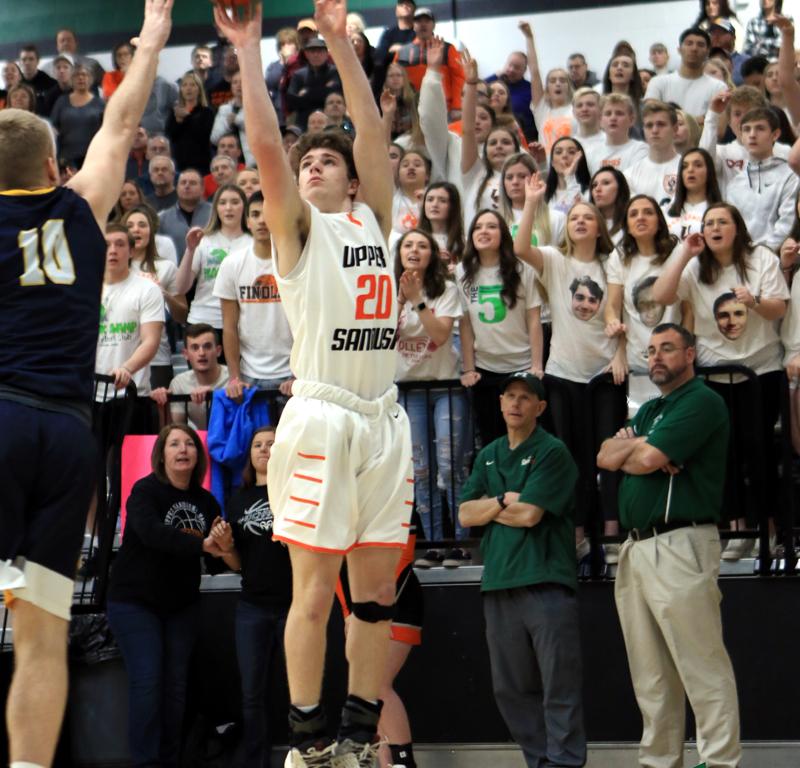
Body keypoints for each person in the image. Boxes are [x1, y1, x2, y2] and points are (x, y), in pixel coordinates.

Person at [214, 2, 414, 766]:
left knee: (375, 597)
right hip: (323, 415)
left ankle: (360, 738)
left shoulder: (375, 221)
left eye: (327, 162)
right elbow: (268, 144)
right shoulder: (298, 232)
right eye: (307, 166)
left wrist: (338, 42)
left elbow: (372, 130)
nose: (313, 167)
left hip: (383, 418)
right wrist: (247, 50)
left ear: (355, 181)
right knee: (313, 590)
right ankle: (308, 743)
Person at [0, 3, 173, 767]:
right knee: (43, 636)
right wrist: (155, 31)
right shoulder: (78, 209)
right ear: (51, 167)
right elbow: (122, 119)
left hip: (2, 421)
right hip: (69, 438)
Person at [597, 322, 742, 768]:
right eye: (651, 350)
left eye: (667, 349)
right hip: (636, 547)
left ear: (690, 355)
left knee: (701, 664)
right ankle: (660, 762)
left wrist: (638, 449)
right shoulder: (650, 410)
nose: (656, 357)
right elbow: (604, 455)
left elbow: (643, 459)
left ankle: (719, 762)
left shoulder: (702, 401)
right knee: (651, 675)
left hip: (680, 541)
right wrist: (642, 445)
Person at [458, 371, 585, 768]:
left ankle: (564, 762)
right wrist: (503, 500)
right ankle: (540, 762)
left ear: (540, 407)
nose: (515, 403)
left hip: (546, 580)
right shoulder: (489, 453)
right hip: (498, 581)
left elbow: (530, 515)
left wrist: (491, 507)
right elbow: (465, 514)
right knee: (509, 688)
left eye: (525, 397)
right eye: (509, 396)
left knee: (559, 683)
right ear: (500, 403)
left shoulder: (552, 451)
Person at [652, 203, 789, 559]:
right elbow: (661, 295)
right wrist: (684, 253)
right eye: (709, 222)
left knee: (759, 453)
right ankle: (738, 529)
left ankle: (768, 529)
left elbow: (780, 307)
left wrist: (754, 301)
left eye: (722, 222)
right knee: (722, 456)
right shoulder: (696, 266)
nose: (714, 228)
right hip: (714, 373)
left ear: (737, 227)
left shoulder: (760, 258)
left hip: (760, 371)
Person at [106, 424, 231, 768]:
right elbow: (152, 534)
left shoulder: (207, 501)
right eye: (174, 443)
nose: (183, 449)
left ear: (198, 456)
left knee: (176, 688)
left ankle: (169, 760)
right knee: (148, 682)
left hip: (181, 606)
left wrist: (225, 544)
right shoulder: (145, 491)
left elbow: (215, 558)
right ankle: (147, 763)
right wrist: (202, 544)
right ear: (161, 455)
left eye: (189, 443)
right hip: (135, 602)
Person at [514, 179, 626, 562]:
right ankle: (577, 533)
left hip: (604, 374)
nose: (580, 222)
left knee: (609, 454)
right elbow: (520, 247)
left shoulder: (611, 262)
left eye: (587, 217)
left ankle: (611, 532)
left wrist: (620, 353)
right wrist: (532, 202)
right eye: (574, 217)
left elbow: (620, 312)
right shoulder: (556, 260)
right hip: (563, 375)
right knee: (571, 458)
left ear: (598, 227)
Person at [210, 425, 293, 768]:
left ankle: (303, 757)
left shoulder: (294, 493)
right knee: (251, 694)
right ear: (250, 455)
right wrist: (225, 547)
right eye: (258, 444)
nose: (264, 449)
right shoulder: (238, 500)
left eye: (272, 443)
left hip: (293, 605)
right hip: (252, 607)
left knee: (300, 691)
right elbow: (237, 563)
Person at [394, 229, 467, 545]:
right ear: (399, 253)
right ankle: (435, 543)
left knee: (450, 467)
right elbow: (384, 337)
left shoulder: (446, 290)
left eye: (422, 245)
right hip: (409, 391)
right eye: (408, 245)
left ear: (432, 255)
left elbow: (439, 335)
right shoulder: (387, 291)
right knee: (420, 471)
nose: (414, 250)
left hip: (445, 387)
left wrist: (417, 301)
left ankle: (461, 543)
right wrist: (400, 300)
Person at [458, 209, 543, 447]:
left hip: (521, 366)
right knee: (490, 439)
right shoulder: (462, 272)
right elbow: (465, 325)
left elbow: (534, 319)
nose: (483, 231)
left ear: (503, 234)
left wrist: (536, 365)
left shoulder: (522, 269)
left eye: (491, 226)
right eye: (478, 227)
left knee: (523, 438)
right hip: (485, 369)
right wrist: (469, 369)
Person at [214, 191, 294, 410]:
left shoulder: (296, 262)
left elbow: (308, 321)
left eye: (267, 214)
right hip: (249, 374)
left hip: (291, 372)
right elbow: (229, 327)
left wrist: (300, 372)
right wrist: (234, 377)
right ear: (247, 221)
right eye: (256, 214)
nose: (262, 220)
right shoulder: (231, 264)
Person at [96, 223, 164, 399]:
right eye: (106, 245)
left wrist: (127, 368)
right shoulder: (85, 291)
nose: (113, 250)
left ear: (132, 251)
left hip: (132, 393)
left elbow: (151, 341)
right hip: (90, 393)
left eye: (120, 244)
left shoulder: (148, 289)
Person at [176, 183, 252, 339]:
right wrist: (190, 250)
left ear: (244, 207)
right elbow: (180, 288)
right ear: (216, 208)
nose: (228, 208)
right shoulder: (203, 240)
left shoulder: (253, 243)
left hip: (242, 324)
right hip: (203, 321)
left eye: (235, 202)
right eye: (222, 203)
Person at [123, 206, 187, 388]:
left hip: (157, 358)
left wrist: (164, 294)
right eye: (130, 226)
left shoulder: (166, 267)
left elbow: (182, 316)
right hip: (120, 355)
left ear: (151, 232)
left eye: (142, 225)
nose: (136, 229)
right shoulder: (112, 268)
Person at [724, 106, 799, 252]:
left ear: (775, 134)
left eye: (760, 128)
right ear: (741, 136)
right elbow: (731, 228)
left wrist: (761, 256)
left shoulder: (790, 176)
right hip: (741, 257)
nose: (752, 135)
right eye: (747, 129)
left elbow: (787, 224)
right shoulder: (734, 184)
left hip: (775, 258)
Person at [150, 323, 230, 430]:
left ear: (218, 351)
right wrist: (162, 405)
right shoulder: (179, 383)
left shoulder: (233, 378)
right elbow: (175, 430)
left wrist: (215, 396)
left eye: (207, 346)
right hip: (201, 438)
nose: (201, 353)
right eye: (195, 348)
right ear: (186, 354)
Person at [393, 7, 465, 117]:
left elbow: (459, 78)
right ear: (413, 25)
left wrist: (457, 106)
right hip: (410, 109)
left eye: (427, 21)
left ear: (433, 25)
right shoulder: (402, 52)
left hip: (442, 108)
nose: (423, 24)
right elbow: (393, 79)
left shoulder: (448, 48)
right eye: (418, 21)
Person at [644, 28, 726, 119]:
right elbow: (651, 117)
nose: (694, 48)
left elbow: (718, 123)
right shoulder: (658, 82)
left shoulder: (718, 87)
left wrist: (675, 119)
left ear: (707, 52)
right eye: (689, 43)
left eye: (700, 45)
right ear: (679, 49)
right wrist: (699, 119)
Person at [520, 20, 574, 155]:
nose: (558, 83)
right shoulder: (542, 109)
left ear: (569, 86)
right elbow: (534, 73)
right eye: (553, 80)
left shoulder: (576, 110)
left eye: (563, 80)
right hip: (547, 165)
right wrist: (529, 38)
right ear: (547, 88)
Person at [624, 100, 680, 205]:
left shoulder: (686, 169)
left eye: (661, 124)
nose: (654, 130)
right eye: (649, 125)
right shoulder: (629, 175)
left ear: (675, 128)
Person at [49, 65, 105, 168]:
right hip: (67, 158)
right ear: (71, 80)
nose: (81, 78)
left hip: (93, 158)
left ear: (91, 79)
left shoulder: (100, 103)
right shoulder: (61, 101)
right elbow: (53, 127)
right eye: (76, 75)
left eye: (84, 75)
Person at [664, 147, 722, 239]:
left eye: (698, 165)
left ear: (709, 172)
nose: (690, 170)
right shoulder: (666, 211)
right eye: (685, 166)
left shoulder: (721, 212)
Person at [286, 37, 342, 131]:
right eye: (312, 51)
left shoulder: (335, 72)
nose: (316, 55)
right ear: (306, 54)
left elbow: (336, 93)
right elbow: (292, 101)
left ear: (326, 53)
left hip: (331, 121)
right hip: (304, 122)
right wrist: (323, 90)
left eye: (319, 51)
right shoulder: (299, 75)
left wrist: (307, 92)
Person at [585, 93, 647, 176]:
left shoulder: (641, 149)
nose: (613, 118)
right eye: (608, 114)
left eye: (619, 113)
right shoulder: (590, 153)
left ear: (631, 120)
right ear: (600, 120)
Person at [158, 169, 213, 258]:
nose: (187, 186)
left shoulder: (215, 213)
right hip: (175, 266)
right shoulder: (162, 218)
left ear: (202, 189)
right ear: (177, 188)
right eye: (183, 183)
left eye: (192, 183)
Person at [166, 72, 214, 174]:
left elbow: (203, 135)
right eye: (185, 85)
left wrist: (187, 117)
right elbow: (170, 135)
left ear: (199, 89)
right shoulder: (175, 112)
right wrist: (178, 121)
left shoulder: (207, 112)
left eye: (192, 85)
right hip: (179, 164)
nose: (188, 88)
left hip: (201, 164)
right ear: (181, 90)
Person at [486, 49, 535, 139]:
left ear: (524, 70)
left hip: (523, 136)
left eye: (517, 67)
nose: (511, 70)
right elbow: (478, 90)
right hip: (492, 132)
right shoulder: (494, 82)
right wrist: (495, 75)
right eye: (509, 65)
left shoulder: (531, 89)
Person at [589, 166, 631, 245]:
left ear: (620, 188)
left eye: (606, 183)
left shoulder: (631, 222)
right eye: (594, 185)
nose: (597, 189)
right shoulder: (587, 223)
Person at [18, 44, 57, 115]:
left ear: (38, 61)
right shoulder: (17, 85)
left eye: (31, 59)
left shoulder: (51, 83)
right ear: (20, 62)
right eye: (24, 59)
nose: (27, 63)